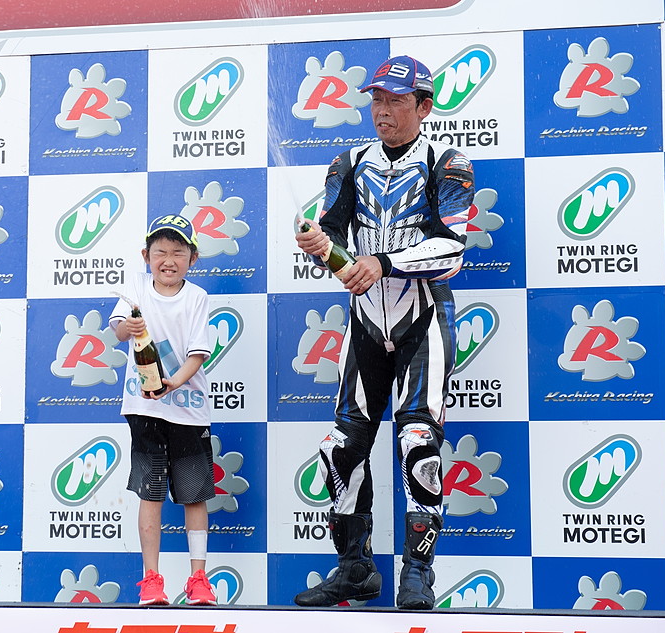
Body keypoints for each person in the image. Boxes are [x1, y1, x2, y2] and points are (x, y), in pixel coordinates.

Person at [293, 55, 475, 610]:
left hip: (424, 318)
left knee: (417, 443)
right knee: (340, 449)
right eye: (376, 99)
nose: (382, 111)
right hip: (366, 321)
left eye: (396, 101)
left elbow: (452, 251)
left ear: (424, 106)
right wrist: (321, 248)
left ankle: (417, 574)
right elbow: (330, 236)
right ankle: (355, 569)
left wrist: (382, 262)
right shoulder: (347, 163)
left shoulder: (449, 163)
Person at [109, 214, 217, 607]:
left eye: (178, 252)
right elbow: (118, 330)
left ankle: (199, 579)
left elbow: (198, 355)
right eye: (160, 252)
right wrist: (132, 327)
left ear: (192, 258)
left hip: (188, 409)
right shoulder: (135, 287)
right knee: (150, 493)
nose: (168, 260)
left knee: (194, 496)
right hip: (143, 409)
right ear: (146, 256)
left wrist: (175, 383)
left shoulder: (197, 297)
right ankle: (151, 580)